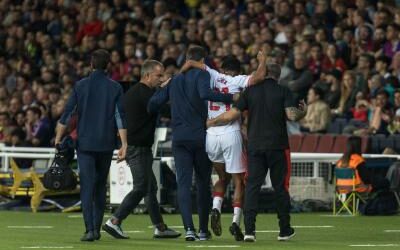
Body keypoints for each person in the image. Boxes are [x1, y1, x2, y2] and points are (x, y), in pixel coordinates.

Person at [207, 63, 307, 242]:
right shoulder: (283, 91)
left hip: (255, 146)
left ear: (264, 74)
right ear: (278, 75)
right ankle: (284, 230)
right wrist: (303, 111)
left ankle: (249, 231)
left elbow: (232, 115)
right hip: (278, 146)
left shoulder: (250, 91)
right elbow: (292, 115)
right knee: (280, 188)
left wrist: (212, 121)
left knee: (252, 187)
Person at [148, 46, 237, 241]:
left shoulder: (175, 79)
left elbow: (153, 104)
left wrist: (164, 88)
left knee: (184, 184)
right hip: (200, 137)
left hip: (179, 138)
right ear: (202, 60)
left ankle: (189, 229)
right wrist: (231, 97)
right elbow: (205, 94)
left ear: (187, 59)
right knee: (203, 183)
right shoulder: (202, 75)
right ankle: (203, 231)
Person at [179, 52, 267, 241]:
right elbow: (260, 76)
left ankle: (216, 208)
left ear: (223, 68)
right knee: (238, 180)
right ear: (237, 70)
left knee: (221, 177)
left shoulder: (213, 75)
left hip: (211, 134)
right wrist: (263, 60)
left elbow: (192, 63)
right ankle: (236, 221)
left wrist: (182, 72)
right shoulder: (239, 80)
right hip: (230, 133)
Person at [102, 60, 181, 239]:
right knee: (142, 187)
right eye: (158, 76)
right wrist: (169, 89)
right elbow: (163, 108)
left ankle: (160, 227)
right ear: (147, 75)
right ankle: (114, 221)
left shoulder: (136, 92)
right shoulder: (144, 94)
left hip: (137, 146)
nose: (161, 79)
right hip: (137, 148)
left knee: (150, 188)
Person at [55, 49, 127, 242]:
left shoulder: (81, 86)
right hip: (105, 143)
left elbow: (67, 113)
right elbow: (121, 117)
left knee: (87, 186)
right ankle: (97, 226)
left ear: (91, 65)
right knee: (100, 186)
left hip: (85, 143)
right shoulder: (115, 88)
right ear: (108, 66)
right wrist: (124, 143)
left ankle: (90, 230)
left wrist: (58, 137)